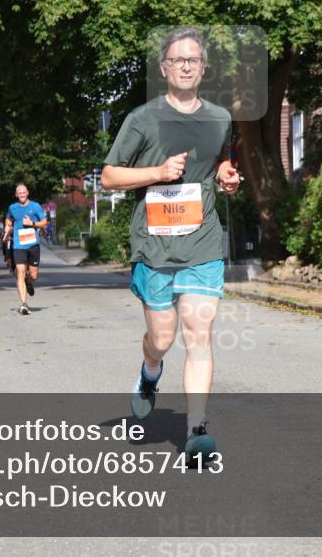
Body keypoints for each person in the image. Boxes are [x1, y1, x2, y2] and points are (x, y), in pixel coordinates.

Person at [101, 27, 240, 462]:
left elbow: (220, 164)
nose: (185, 66)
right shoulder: (142, 119)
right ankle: (150, 372)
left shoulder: (219, 118)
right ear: (164, 68)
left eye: (193, 60)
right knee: (161, 338)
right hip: (156, 247)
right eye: (177, 60)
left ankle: (196, 432)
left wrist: (226, 177)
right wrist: (157, 174)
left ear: (203, 68)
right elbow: (109, 176)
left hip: (201, 244)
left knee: (199, 334)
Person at [4, 183, 47, 315]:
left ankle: (29, 283)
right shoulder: (12, 207)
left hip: (33, 244)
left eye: (24, 192)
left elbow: (44, 222)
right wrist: (8, 229)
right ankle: (24, 304)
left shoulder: (35, 206)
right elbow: (8, 220)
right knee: (20, 273)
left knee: (33, 275)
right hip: (18, 245)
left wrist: (32, 223)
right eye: (19, 193)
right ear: (16, 195)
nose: (22, 195)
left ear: (27, 193)